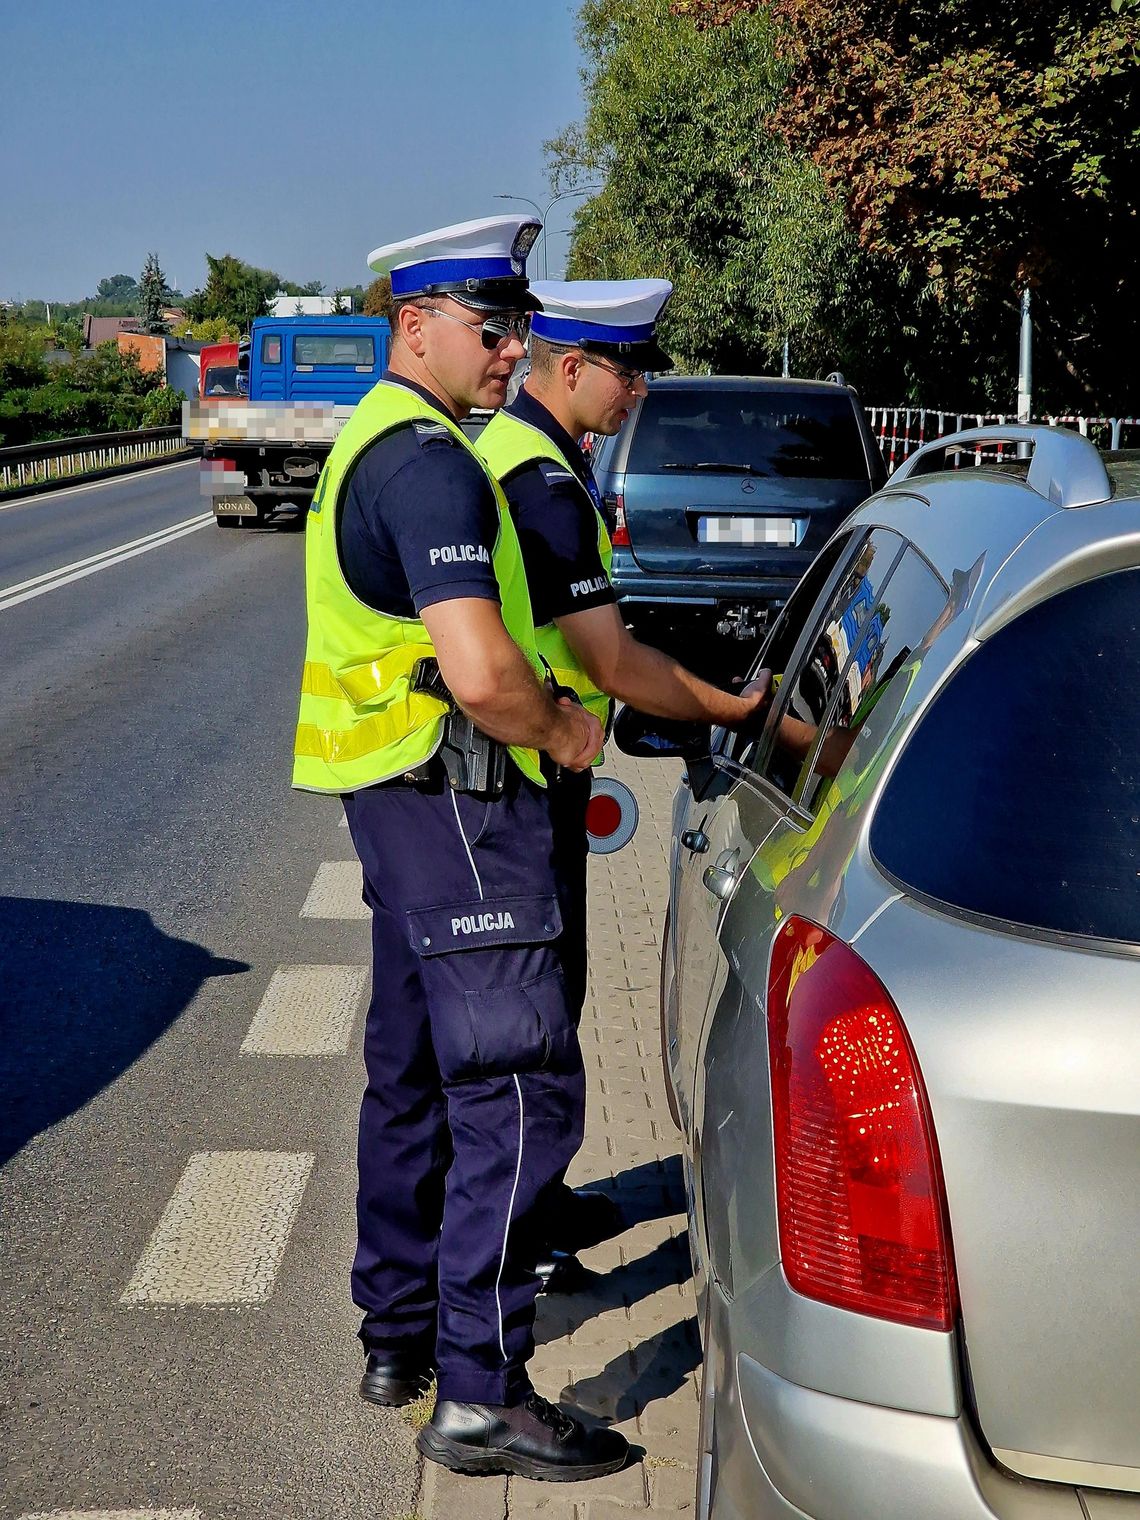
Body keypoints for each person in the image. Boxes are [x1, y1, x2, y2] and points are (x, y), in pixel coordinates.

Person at [292, 217, 630, 1483]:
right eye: (494, 331)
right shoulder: (430, 462)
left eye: (521, 332)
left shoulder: (374, 444)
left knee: (418, 1067)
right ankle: (482, 1393)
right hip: (462, 797)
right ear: (413, 321)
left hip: (397, 798)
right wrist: (568, 729)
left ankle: (398, 1333)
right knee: (516, 1085)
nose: (513, 353)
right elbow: (487, 671)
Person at [475, 280, 769, 1268]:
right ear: (571, 367)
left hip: (526, 770)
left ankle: (538, 1207)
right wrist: (735, 706)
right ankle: (517, 1244)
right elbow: (613, 664)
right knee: (536, 1007)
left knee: (548, 995)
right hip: (518, 777)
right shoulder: (542, 484)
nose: (639, 388)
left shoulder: (537, 455)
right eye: (627, 368)